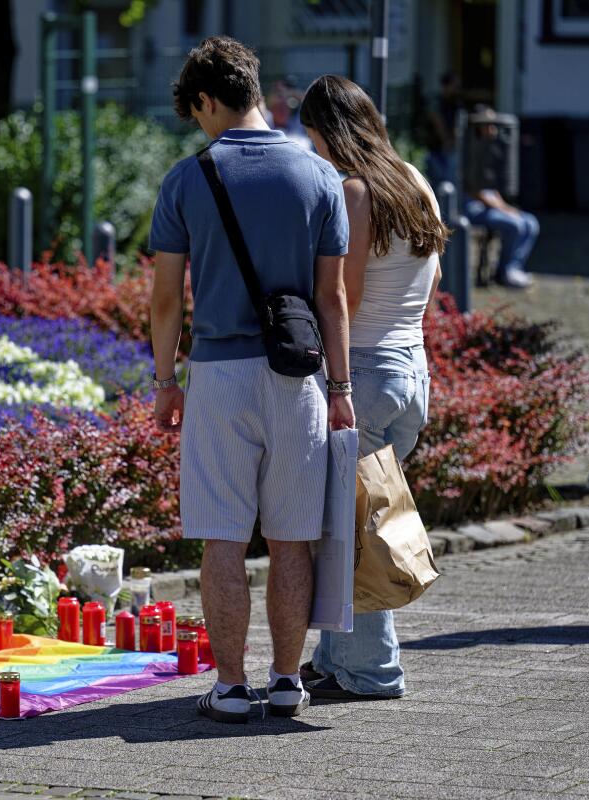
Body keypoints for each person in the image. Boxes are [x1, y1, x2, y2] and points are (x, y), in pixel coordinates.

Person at [149, 36, 354, 724]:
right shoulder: (320, 178)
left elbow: (166, 299)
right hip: (301, 377)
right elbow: (334, 300)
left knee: (224, 539)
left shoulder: (186, 180)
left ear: (207, 100)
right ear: (257, 92)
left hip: (219, 374)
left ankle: (232, 687)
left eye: (197, 113)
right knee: (293, 538)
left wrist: (164, 381)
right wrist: (344, 391)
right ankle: (290, 680)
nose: (200, 126)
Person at [297, 74, 448, 701]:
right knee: (351, 518)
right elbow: (430, 285)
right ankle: (336, 660)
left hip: (364, 372)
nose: (310, 150)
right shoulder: (414, 180)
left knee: (356, 529)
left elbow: (345, 300)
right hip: (410, 369)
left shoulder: (355, 194)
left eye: (310, 137)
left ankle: (371, 671)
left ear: (329, 132)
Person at [463, 107, 538, 290]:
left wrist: (505, 207)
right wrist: (504, 210)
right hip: (473, 209)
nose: (494, 130)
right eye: (489, 125)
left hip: (493, 206)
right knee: (515, 225)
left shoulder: (490, 150)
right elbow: (476, 192)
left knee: (530, 222)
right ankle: (504, 272)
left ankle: (514, 267)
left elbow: (492, 189)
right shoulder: (469, 152)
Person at [425, 72, 461, 189]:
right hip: (437, 147)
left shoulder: (454, 103)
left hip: (448, 147)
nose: (456, 90)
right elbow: (437, 121)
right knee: (439, 182)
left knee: (448, 182)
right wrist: (446, 140)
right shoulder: (437, 102)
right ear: (446, 85)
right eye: (454, 86)